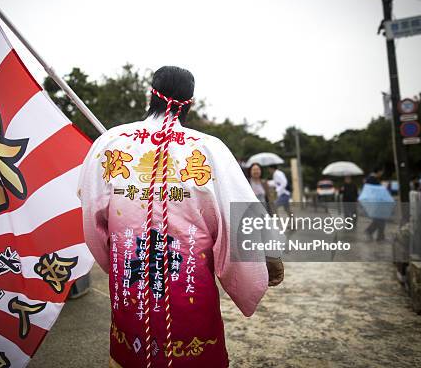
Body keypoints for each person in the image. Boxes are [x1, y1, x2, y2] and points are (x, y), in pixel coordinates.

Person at [78, 66, 284, 368]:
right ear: (191, 102)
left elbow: (91, 215)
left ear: (151, 95)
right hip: (190, 280)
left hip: (131, 279)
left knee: (132, 351)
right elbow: (242, 212)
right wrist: (269, 255)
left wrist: (115, 260)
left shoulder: (110, 143)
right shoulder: (208, 149)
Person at [364, 168, 386, 241]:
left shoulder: (372, 179)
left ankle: (379, 235)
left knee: (380, 219)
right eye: (381, 172)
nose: (382, 174)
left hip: (375, 202)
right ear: (378, 171)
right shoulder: (372, 179)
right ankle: (374, 233)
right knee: (380, 219)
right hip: (375, 202)